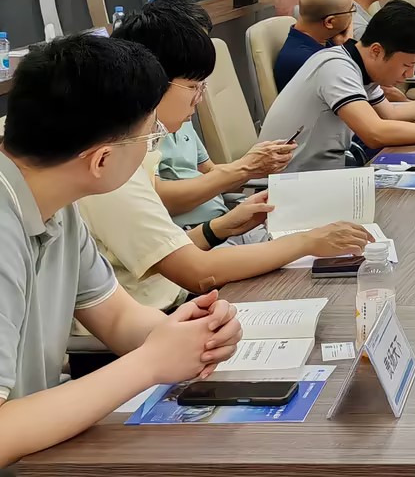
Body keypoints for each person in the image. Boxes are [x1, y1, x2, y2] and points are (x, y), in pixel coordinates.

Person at [0, 33, 243, 465]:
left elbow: (116, 316)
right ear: (102, 160)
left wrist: (187, 336)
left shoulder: (58, 203)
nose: (151, 149)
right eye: (149, 138)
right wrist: (150, 363)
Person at [78, 0, 373, 311]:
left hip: (177, 297)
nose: (200, 99)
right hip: (168, 308)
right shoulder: (112, 167)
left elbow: (167, 255)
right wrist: (307, 242)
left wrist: (221, 227)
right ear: (155, 81)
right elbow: (195, 272)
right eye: (194, 86)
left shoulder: (137, 149)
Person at [119, 0, 297, 229]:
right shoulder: (137, 135)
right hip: (196, 231)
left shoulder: (180, 118)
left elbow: (211, 172)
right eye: (194, 85)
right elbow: (159, 199)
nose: (200, 95)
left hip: (217, 223)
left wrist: (251, 168)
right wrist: (244, 168)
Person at [261, 0, 415, 170]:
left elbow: (391, 114)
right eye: (407, 65)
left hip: (327, 172)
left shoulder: (359, 64)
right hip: (294, 183)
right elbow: (375, 133)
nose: (410, 74)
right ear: (376, 50)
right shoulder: (335, 68)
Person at [274, 0, 355, 93]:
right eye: (351, 11)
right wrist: (348, 49)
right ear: (330, 22)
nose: (352, 16)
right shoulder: (311, 62)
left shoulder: (322, 41)